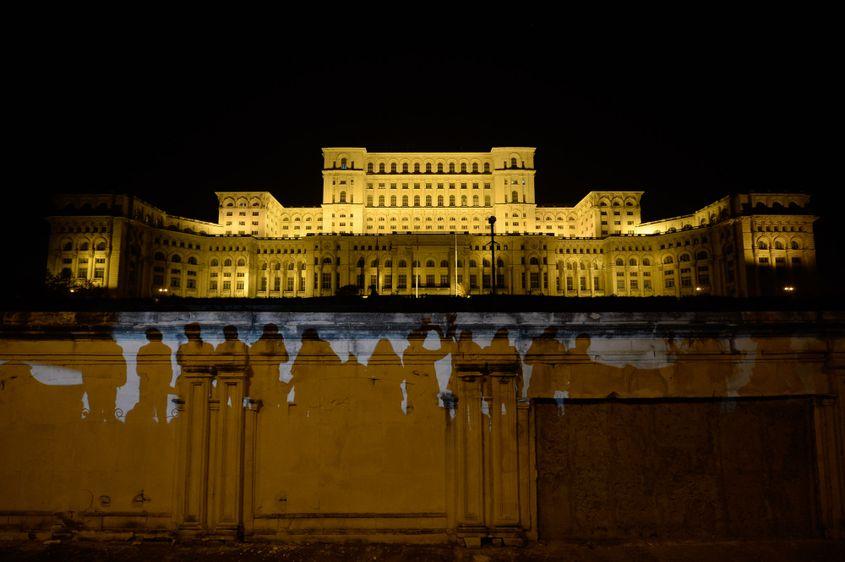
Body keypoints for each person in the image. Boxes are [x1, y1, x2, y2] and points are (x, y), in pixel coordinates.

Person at [135, 327, 174, 423]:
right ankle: (162, 432)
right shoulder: (166, 349)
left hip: (146, 385)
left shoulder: (143, 349)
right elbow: (169, 370)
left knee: (146, 415)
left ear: (148, 337)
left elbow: (139, 370)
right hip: (161, 386)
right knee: (162, 414)